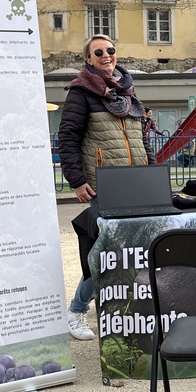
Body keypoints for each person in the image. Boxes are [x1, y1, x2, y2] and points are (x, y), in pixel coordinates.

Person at [58, 35, 155, 340]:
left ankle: (124, 310)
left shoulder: (126, 90)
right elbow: (68, 138)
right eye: (98, 52)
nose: (106, 55)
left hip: (137, 183)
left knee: (136, 250)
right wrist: (77, 180)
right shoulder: (80, 92)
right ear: (88, 59)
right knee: (105, 251)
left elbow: (141, 137)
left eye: (111, 50)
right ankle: (76, 310)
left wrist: (152, 171)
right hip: (105, 185)